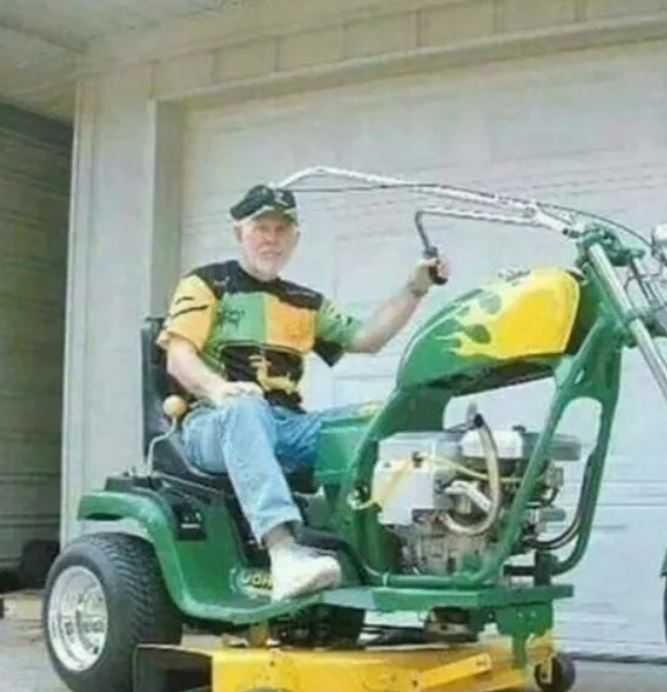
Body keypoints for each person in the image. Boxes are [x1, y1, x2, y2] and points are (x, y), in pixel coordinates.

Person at [157, 184, 449, 601]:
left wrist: (416, 287)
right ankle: (284, 555)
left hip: (288, 426)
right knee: (247, 407)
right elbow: (179, 357)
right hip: (214, 423)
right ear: (239, 232)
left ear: (295, 238)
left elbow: (367, 338)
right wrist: (220, 390)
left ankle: (400, 552)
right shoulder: (206, 284)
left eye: (281, 229)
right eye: (261, 228)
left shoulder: (305, 303)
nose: (271, 239)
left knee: (381, 419)